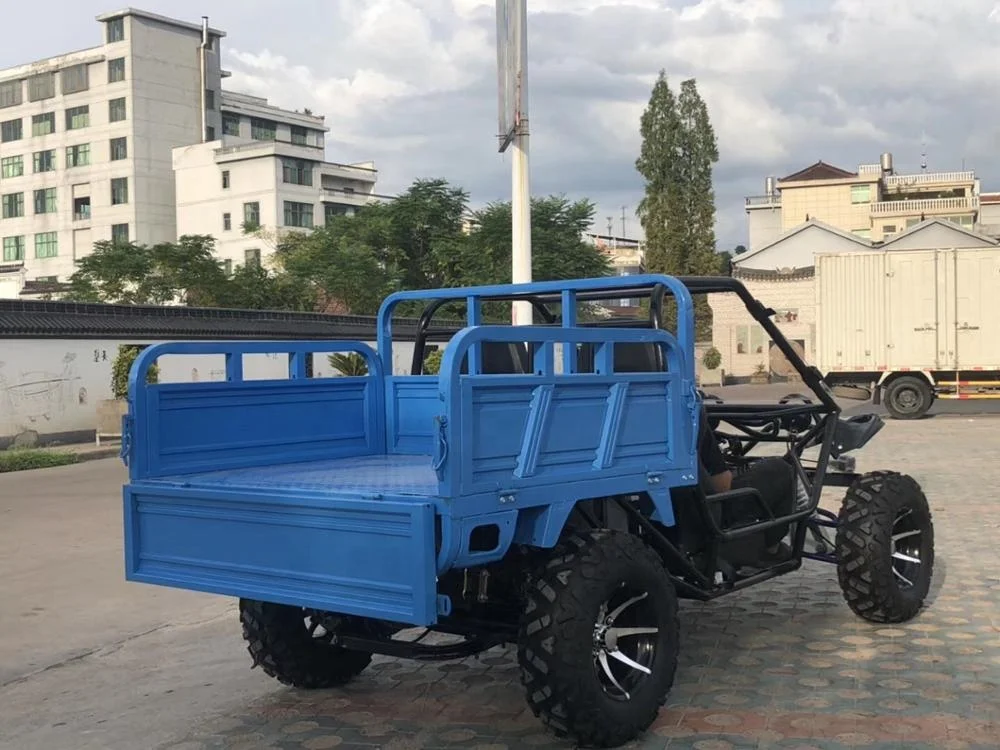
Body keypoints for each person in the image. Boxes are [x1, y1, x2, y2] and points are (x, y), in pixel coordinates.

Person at [696, 407, 796, 563]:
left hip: (664, 519)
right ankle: (771, 550)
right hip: (705, 516)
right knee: (779, 469)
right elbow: (722, 485)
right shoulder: (691, 417)